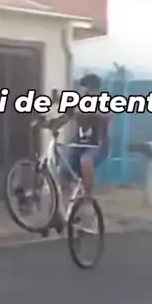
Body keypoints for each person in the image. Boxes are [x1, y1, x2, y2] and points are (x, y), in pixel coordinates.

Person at [47, 73, 110, 232]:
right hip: (78, 145)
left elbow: (104, 114)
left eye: (88, 89)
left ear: (96, 90)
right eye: (84, 89)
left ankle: (88, 201)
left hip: (97, 147)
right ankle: (61, 212)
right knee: (63, 175)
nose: (85, 92)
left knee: (85, 161)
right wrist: (50, 125)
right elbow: (65, 117)